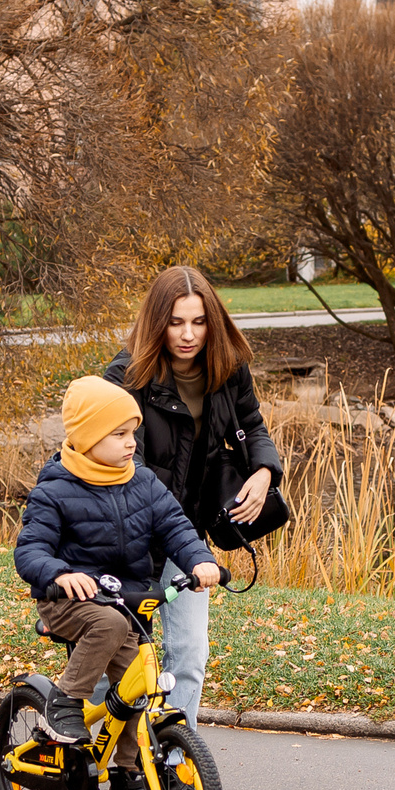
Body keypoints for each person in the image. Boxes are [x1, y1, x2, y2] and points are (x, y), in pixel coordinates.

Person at [13, 377, 223, 790]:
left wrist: (199, 560)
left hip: (123, 602)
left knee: (138, 690)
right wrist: (60, 574)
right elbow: (30, 550)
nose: (132, 443)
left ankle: (129, 773)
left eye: (133, 432)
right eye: (119, 434)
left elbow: (176, 527)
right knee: (108, 624)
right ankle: (64, 701)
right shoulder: (55, 489)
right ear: (88, 438)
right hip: (67, 601)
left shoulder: (142, 481)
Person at [101, 267, 283, 726]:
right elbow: (128, 468)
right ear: (157, 322)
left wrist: (264, 471)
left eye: (199, 322)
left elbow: (252, 424)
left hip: (188, 533)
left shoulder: (228, 369)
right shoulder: (127, 376)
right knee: (116, 661)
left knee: (189, 654)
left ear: (212, 322)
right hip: (131, 535)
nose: (188, 335)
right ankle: (76, 741)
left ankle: (176, 756)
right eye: (176, 322)